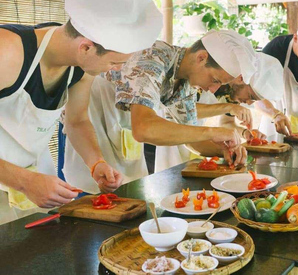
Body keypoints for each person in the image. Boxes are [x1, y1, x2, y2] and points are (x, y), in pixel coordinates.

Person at [0, 0, 162, 224]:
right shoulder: (7, 52)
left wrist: (96, 163)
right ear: (86, 47)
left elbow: (76, 121)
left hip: (31, 177)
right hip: (19, 179)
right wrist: (24, 181)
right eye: (114, 62)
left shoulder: (80, 67)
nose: (114, 70)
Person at [64, 30, 258, 193]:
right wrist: (212, 132)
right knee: (90, 201)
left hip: (123, 141)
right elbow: (143, 129)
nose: (213, 90)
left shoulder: (185, 83)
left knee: (129, 196)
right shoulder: (152, 58)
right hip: (92, 132)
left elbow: (190, 137)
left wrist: (225, 149)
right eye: (215, 80)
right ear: (201, 58)